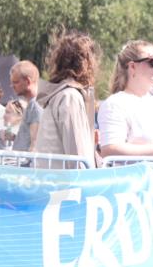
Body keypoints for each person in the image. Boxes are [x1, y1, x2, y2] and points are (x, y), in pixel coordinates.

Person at [35, 30, 102, 167]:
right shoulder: (70, 96)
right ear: (86, 63)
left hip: (55, 180)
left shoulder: (63, 94)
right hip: (65, 184)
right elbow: (77, 156)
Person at [9, 61, 42, 152]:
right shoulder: (33, 104)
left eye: (15, 82)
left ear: (28, 81)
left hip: (24, 163)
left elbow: (34, 142)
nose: (12, 86)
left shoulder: (35, 105)